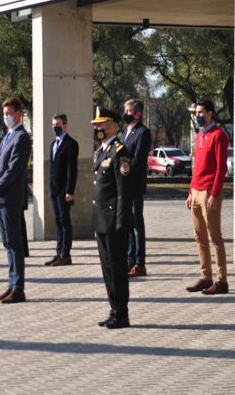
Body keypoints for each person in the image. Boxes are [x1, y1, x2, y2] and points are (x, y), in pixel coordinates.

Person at [91, 107, 134, 329]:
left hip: (114, 221)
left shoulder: (119, 152)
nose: (96, 128)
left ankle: (122, 314)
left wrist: (121, 222)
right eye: (96, 125)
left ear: (112, 126)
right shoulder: (102, 151)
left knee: (117, 269)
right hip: (101, 219)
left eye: (100, 124)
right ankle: (113, 309)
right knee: (107, 268)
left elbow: (123, 192)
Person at [0, 97, 31, 304]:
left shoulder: (21, 137)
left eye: (9, 113)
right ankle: (11, 284)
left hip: (10, 197)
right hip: (1, 196)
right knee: (7, 243)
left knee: (14, 244)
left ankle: (18, 288)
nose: (6, 117)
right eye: (4, 113)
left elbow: (13, 170)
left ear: (17, 114)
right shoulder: (8, 136)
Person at [185, 99, 230, 295]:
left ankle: (221, 280)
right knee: (199, 237)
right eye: (197, 112)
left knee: (214, 237)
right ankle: (206, 277)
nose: (198, 115)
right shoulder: (199, 135)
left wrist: (214, 192)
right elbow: (196, 167)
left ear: (211, 113)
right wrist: (190, 191)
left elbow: (222, 167)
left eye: (201, 112)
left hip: (209, 193)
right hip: (196, 191)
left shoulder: (219, 135)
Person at [121, 99, 151, 277]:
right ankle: (129, 260)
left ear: (138, 113)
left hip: (134, 184)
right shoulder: (126, 132)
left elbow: (137, 160)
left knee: (137, 224)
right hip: (124, 185)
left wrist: (123, 168)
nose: (126, 113)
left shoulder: (143, 132)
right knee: (129, 225)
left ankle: (140, 263)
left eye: (130, 110)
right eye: (125, 110)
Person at [45, 113, 78, 267]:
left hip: (64, 190)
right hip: (54, 189)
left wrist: (69, 191)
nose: (55, 127)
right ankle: (58, 252)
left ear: (65, 125)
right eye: (53, 125)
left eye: (57, 125)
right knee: (58, 221)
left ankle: (66, 254)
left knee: (65, 222)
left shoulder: (71, 144)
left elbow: (72, 170)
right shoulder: (53, 144)